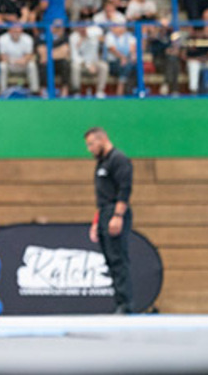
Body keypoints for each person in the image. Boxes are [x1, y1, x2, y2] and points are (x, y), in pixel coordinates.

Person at [85, 127, 134, 314]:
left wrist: (118, 216)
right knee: (110, 260)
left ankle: (126, 304)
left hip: (116, 212)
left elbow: (124, 190)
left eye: (91, 144)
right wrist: (97, 222)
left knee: (119, 259)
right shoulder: (101, 162)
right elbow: (102, 197)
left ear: (102, 139)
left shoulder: (119, 160)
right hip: (105, 213)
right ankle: (118, 302)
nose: (90, 149)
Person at [0, 24, 39, 94]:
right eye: (14, 31)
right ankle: (2, 91)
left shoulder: (28, 39)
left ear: (21, 31)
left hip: (23, 64)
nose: (16, 32)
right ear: (9, 31)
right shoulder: (2, 39)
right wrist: (14, 61)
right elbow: (3, 57)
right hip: (10, 65)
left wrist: (24, 60)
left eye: (18, 31)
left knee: (32, 65)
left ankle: (34, 91)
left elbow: (29, 55)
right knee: (2, 66)